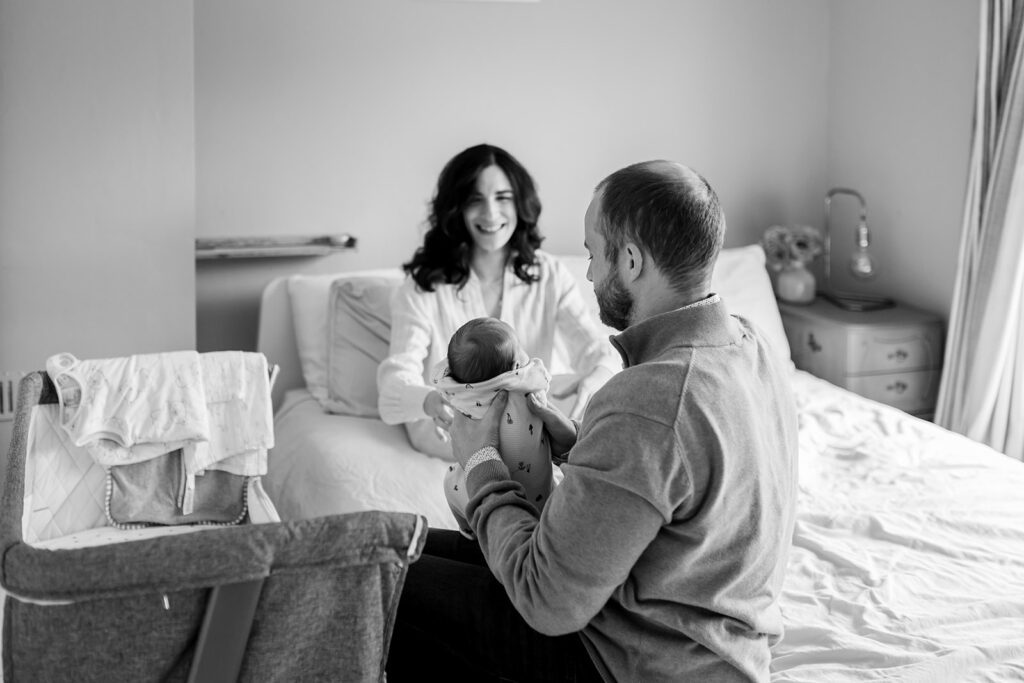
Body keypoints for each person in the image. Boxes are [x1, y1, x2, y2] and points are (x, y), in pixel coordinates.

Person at [385, 160, 799, 682]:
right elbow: (665, 480)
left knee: (387, 580)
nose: (587, 273)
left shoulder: (648, 397)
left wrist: (480, 460)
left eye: (591, 253)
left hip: (632, 661)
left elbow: (546, 602)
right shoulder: (750, 346)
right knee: (399, 544)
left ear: (629, 260)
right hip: (705, 640)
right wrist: (575, 444)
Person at [377, 143, 619, 460]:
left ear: (520, 203)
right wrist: (430, 402)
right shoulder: (424, 287)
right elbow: (393, 387)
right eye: (475, 200)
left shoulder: (548, 273)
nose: (491, 213)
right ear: (456, 209)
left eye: (502, 198)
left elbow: (600, 351)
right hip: (449, 433)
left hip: (527, 430)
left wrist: (591, 387)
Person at [434, 317, 556, 538]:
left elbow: (442, 372)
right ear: (516, 366)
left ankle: (469, 528)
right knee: (551, 481)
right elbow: (543, 376)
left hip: (480, 493)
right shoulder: (527, 387)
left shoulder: (458, 393)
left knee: (451, 480)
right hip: (541, 496)